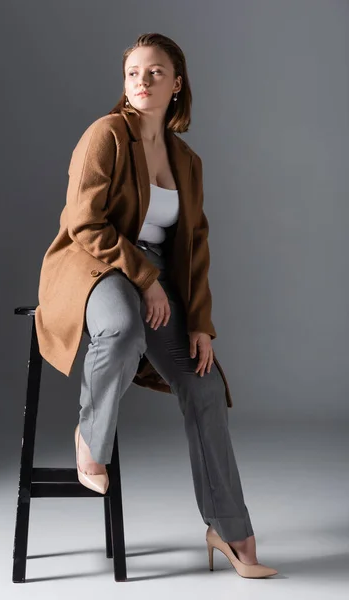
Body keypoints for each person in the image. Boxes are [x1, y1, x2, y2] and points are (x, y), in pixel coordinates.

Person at [35, 32, 278, 578]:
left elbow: (194, 248)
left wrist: (202, 324)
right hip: (95, 264)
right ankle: (89, 435)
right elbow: (84, 224)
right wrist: (144, 279)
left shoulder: (186, 161)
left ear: (177, 83)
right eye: (133, 73)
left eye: (155, 72)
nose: (142, 82)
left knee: (205, 382)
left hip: (159, 280)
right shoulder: (106, 136)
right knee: (121, 329)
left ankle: (230, 530)